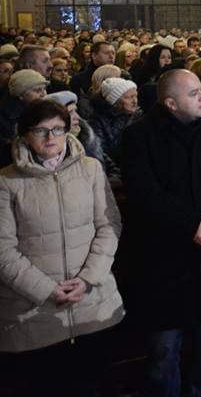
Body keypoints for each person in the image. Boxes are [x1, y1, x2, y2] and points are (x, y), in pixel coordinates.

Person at [120, 69, 201, 397]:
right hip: (164, 259)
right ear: (171, 103)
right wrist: (192, 225)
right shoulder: (138, 137)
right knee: (164, 350)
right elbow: (146, 193)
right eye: (194, 93)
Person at [0, 99, 124, 397]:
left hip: (92, 303)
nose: (50, 137)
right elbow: (3, 249)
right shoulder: (7, 181)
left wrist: (87, 279)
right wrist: (47, 290)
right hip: (35, 311)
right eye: (40, 130)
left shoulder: (91, 169)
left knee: (94, 384)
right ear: (24, 135)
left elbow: (108, 226)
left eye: (57, 129)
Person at [88, 77, 139, 163]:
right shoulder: (97, 121)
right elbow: (100, 152)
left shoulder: (139, 116)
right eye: (129, 97)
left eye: (135, 96)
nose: (135, 101)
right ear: (115, 101)